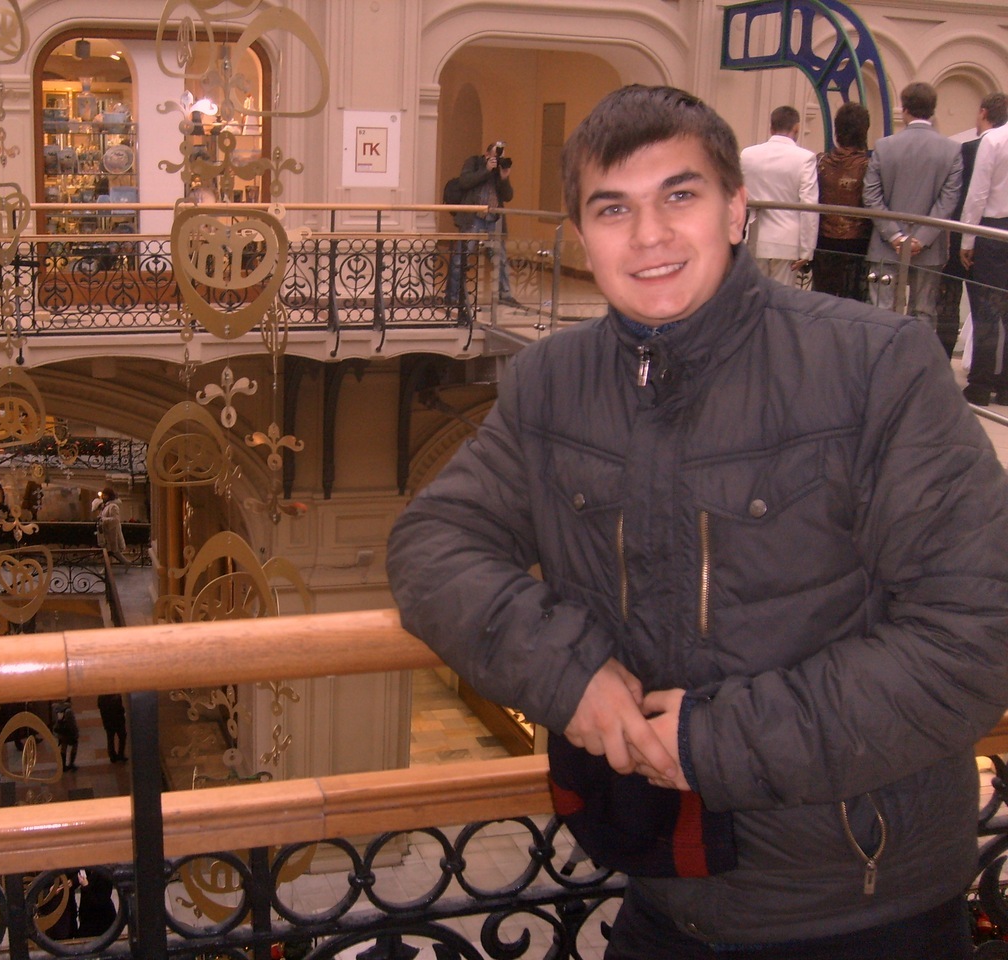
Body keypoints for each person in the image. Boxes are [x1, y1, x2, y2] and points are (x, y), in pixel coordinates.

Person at [387, 84, 1008, 958]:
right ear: (582, 236)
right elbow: (432, 545)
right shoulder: (551, 385)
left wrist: (715, 741)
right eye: (614, 209)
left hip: (863, 907)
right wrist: (568, 674)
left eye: (679, 195)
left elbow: (976, 636)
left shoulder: (874, 368)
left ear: (736, 209)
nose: (649, 236)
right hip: (664, 897)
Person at [863, 81, 963, 334]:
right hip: (929, 248)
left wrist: (895, 235)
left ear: (904, 109)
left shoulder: (884, 146)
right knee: (923, 313)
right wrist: (921, 238)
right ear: (933, 110)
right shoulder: (951, 150)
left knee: (881, 312)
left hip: (885, 244)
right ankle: (916, 358)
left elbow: (871, 196)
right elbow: (948, 200)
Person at [937, 95, 1007, 361]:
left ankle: (977, 373)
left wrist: (966, 240)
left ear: (983, 112)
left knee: (978, 306)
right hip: (998, 228)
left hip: (980, 230)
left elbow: (975, 195)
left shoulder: (983, 144)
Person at [959, 94, 1008, 405]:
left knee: (987, 310)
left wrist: (967, 239)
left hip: (992, 231)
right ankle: (1006, 388)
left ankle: (980, 384)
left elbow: (978, 194)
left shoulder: (994, 140)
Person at [739, 105, 818, 286]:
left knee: (756, 292)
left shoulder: (748, 155)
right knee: (781, 296)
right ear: (797, 128)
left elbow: (739, 195)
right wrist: (807, 250)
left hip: (755, 236)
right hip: (787, 241)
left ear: (771, 127)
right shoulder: (805, 158)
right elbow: (809, 207)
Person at [445, 142, 520, 308]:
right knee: (461, 257)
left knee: (500, 258)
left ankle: (504, 294)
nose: (497, 159)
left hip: (494, 220)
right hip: (473, 218)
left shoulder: (499, 170)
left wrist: (504, 177)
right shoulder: (474, 162)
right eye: (495, 155)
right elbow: (465, 182)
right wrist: (486, 170)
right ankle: (452, 295)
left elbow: (508, 196)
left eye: (500, 156)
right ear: (486, 154)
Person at [812, 101, 873, 301]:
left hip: (823, 241)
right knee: (851, 302)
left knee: (822, 301)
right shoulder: (869, 166)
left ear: (837, 130)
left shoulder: (820, 162)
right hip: (857, 244)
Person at [96, 487, 129, 565]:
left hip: (113, 533)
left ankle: (126, 563)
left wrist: (103, 519)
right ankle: (125, 563)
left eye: (105, 495)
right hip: (108, 533)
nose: (103, 497)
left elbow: (116, 519)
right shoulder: (106, 506)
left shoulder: (113, 506)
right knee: (110, 551)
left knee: (113, 551)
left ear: (109, 496)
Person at [97, 693, 127, 763]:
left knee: (110, 739)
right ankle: (120, 754)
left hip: (108, 721)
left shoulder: (102, 697)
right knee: (122, 736)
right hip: (118, 721)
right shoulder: (116, 696)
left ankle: (112, 756)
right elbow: (120, 709)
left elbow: (100, 706)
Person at [52, 700, 79, 772]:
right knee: (75, 745)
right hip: (69, 732)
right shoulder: (69, 711)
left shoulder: (57, 709)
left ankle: (63, 765)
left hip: (60, 732)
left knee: (63, 747)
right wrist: (76, 733)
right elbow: (72, 724)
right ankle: (71, 764)